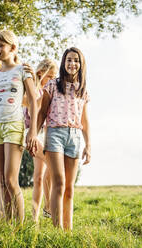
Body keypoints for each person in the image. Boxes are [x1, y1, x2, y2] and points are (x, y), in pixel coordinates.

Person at [0, 29, 38, 223]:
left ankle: (19, 229)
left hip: (13, 127)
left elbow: (33, 101)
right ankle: (7, 227)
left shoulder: (23, 70)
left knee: (11, 180)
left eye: (0, 46)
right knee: (1, 181)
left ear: (12, 48)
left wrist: (33, 131)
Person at [36, 47, 91, 230]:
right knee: (58, 183)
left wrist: (88, 145)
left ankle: (68, 231)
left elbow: (84, 120)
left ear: (80, 65)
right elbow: (42, 111)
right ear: (63, 63)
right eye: (68, 60)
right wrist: (33, 134)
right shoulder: (52, 85)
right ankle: (57, 230)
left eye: (76, 60)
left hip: (75, 137)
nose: (72, 63)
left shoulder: (82, 90)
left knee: (69, 188)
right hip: (55, 134)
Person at [23, 59, 58, 222]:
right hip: (31, 132)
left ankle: (34, 217)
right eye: (49, 76)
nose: (51, 80)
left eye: (54, 77)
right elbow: (30, 107)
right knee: (52, 163)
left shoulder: (49, 91)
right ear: (39, 74)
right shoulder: (34, 90)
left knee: (38, 177)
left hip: (43, 133)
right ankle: (48, 206)